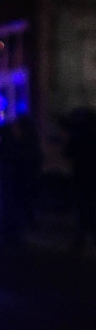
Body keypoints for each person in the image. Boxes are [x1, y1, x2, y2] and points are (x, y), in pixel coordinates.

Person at [0, 115, 42, 248]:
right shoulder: (13, 141)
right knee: (11, 208)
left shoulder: (25, 143)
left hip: (18, 181)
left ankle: (12, 235)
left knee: (15, 208)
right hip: (13, 181)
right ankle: (10, 236)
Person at [63, 107, 96, 254]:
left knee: (85, 208)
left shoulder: (79, 135)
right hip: (86, 176)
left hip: (83, 176)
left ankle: (82, 238)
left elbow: (69, 152)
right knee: (87, 207)